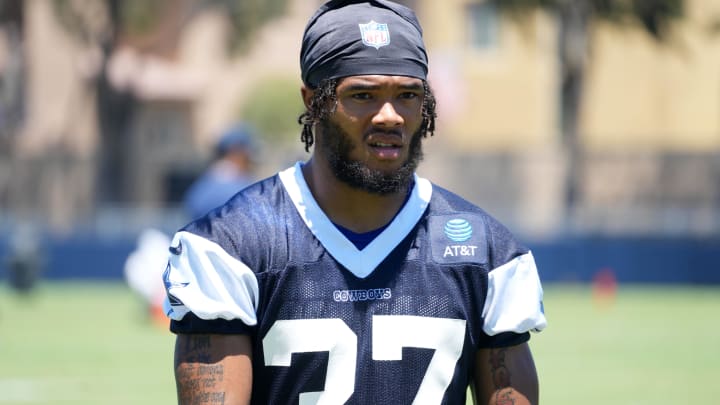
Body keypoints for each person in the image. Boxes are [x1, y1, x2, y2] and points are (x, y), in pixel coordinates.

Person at [162, 1, 547, 404]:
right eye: (363, 95)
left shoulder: (488, 254)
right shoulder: (232, 245)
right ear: (313, 102)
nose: (390, 116)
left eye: (407, 95)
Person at [182, 123, 257, 220]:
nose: (250, 163)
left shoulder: (201, 187)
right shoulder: (243, 189)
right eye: (248, 157)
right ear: (237, 152)